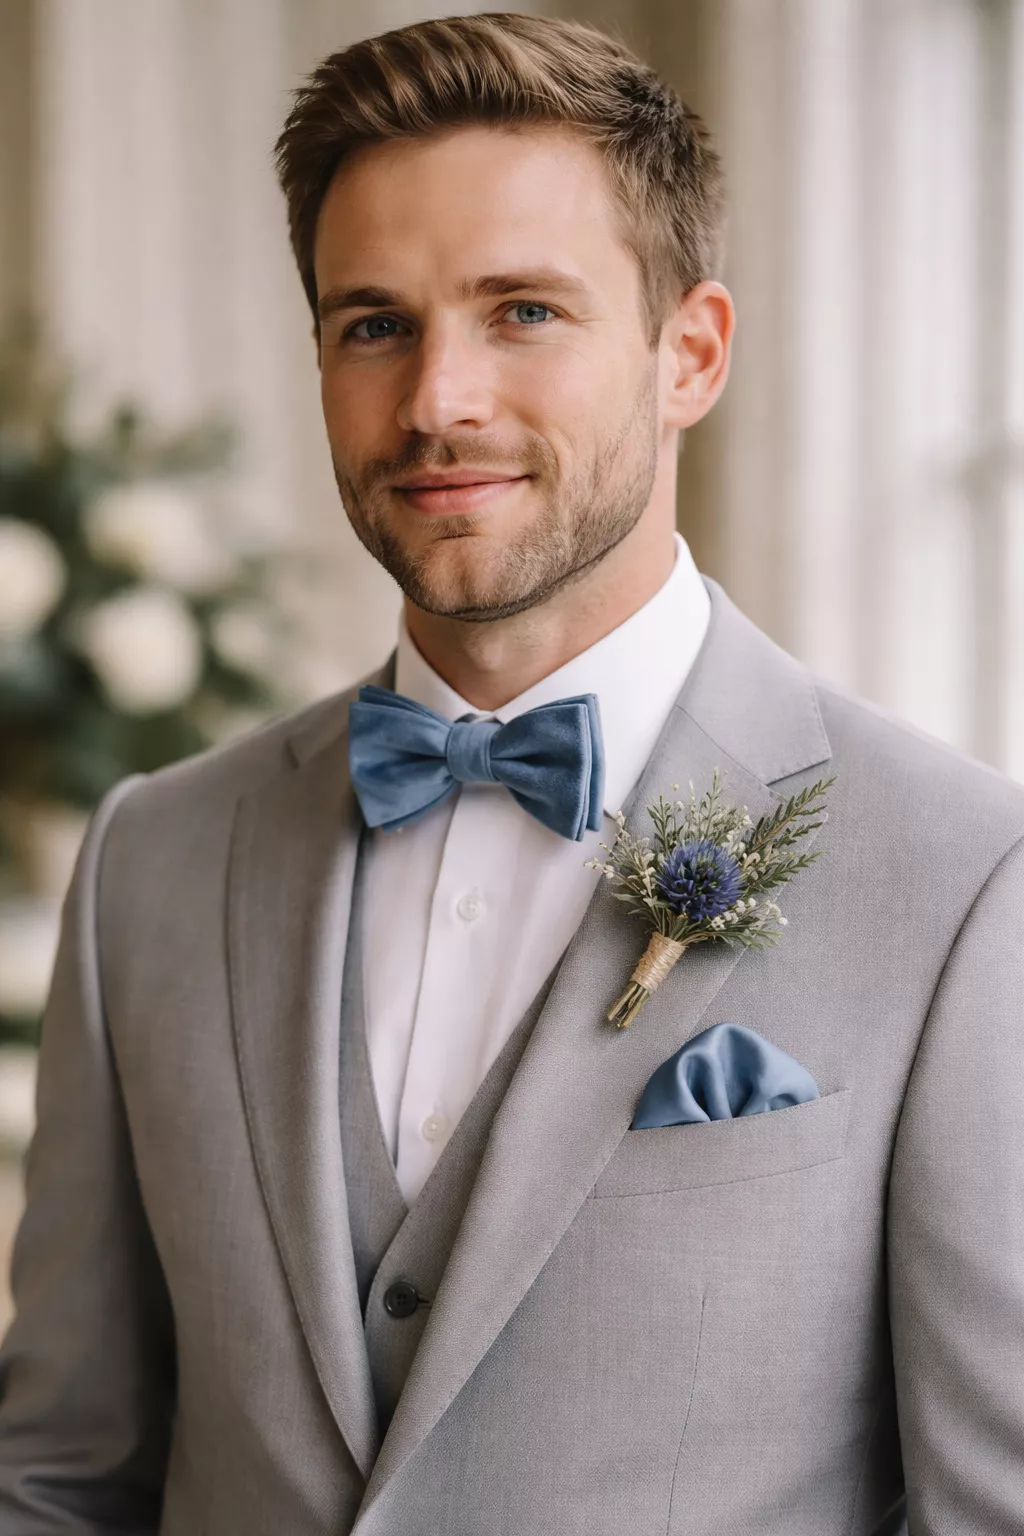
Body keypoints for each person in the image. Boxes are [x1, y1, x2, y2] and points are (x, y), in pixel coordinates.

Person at [1, 12, 1022, 1534]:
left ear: (691, 354)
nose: (436, 402)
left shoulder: (959, 874)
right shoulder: (153, 859)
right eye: (373, 324)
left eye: (524, 311)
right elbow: (65, 1479)